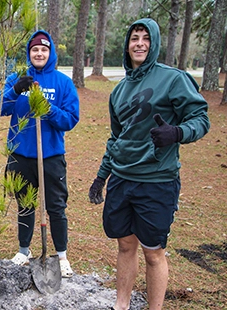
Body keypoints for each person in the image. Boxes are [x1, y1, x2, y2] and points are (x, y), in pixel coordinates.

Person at [88, 18, 210, 310]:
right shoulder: (118, 91)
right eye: (134, 38)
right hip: (121, 179)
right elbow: (116, 138)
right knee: (125, 244)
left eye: (145, 38)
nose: (139, 43)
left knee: (153, 252)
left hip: (157, 180)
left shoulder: (173, 79)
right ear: (127, 45)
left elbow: (201, 119)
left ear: (153, 43)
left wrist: (177, 132)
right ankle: (122, 304)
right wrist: (101, 177)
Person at [0, 30, 80, 278]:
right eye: (34, 50)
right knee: (25, 205)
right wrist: (14, 90)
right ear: (29, 54)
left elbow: (71, 119)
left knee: (56, 207)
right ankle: (24, 250)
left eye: (43, 49)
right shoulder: (17, 79)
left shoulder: (63, 83)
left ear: (50, 53)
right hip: (21, 155)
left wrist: (48, 109)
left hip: (51, 156)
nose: (39, 53)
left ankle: (61, 255)